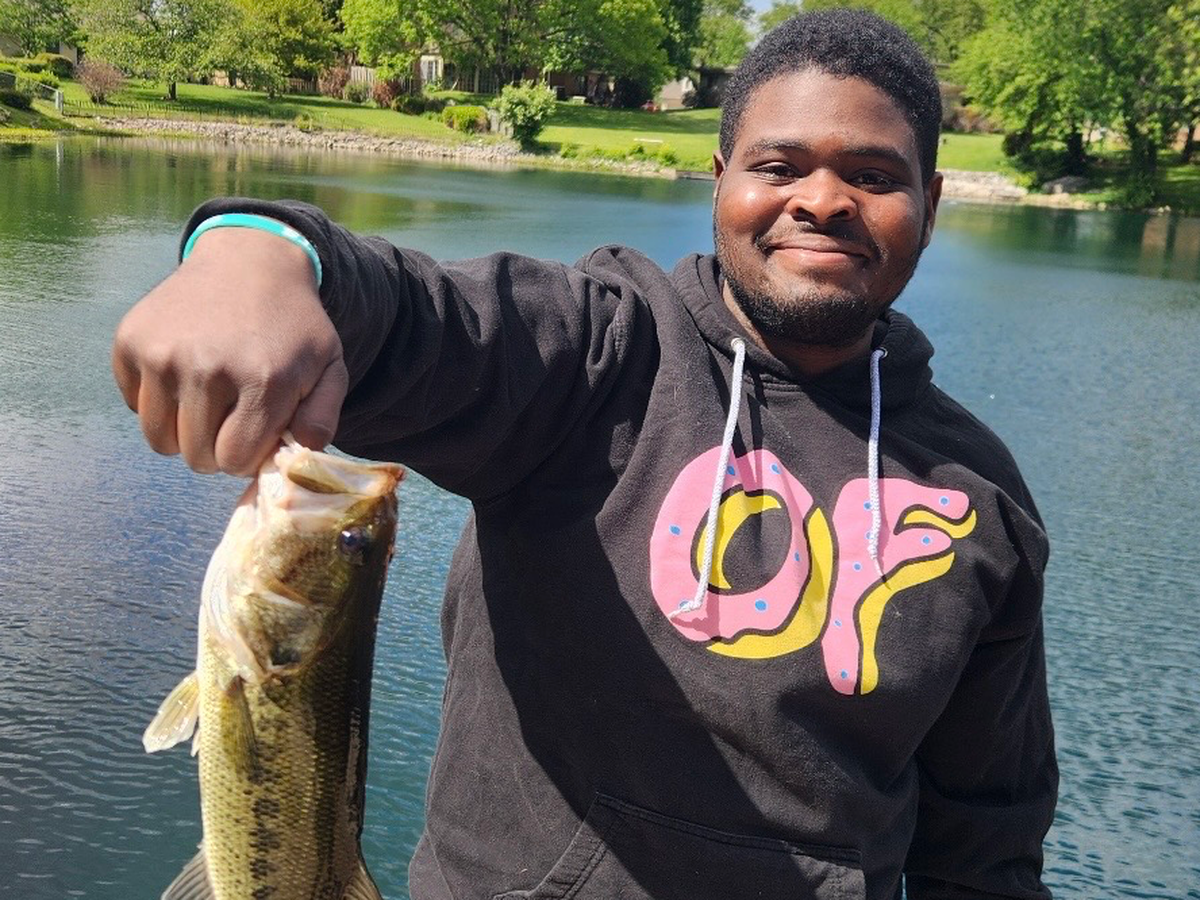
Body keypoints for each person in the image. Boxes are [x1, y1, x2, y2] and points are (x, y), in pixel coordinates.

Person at [112, 9, 1058, 900]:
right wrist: (258, 252)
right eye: (779, 165)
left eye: (874, 176)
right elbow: (414, 319)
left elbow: (986, 845)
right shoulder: (596, 359)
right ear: (720, 179)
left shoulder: (980, 498)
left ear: (930, 203)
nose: (822, 201)